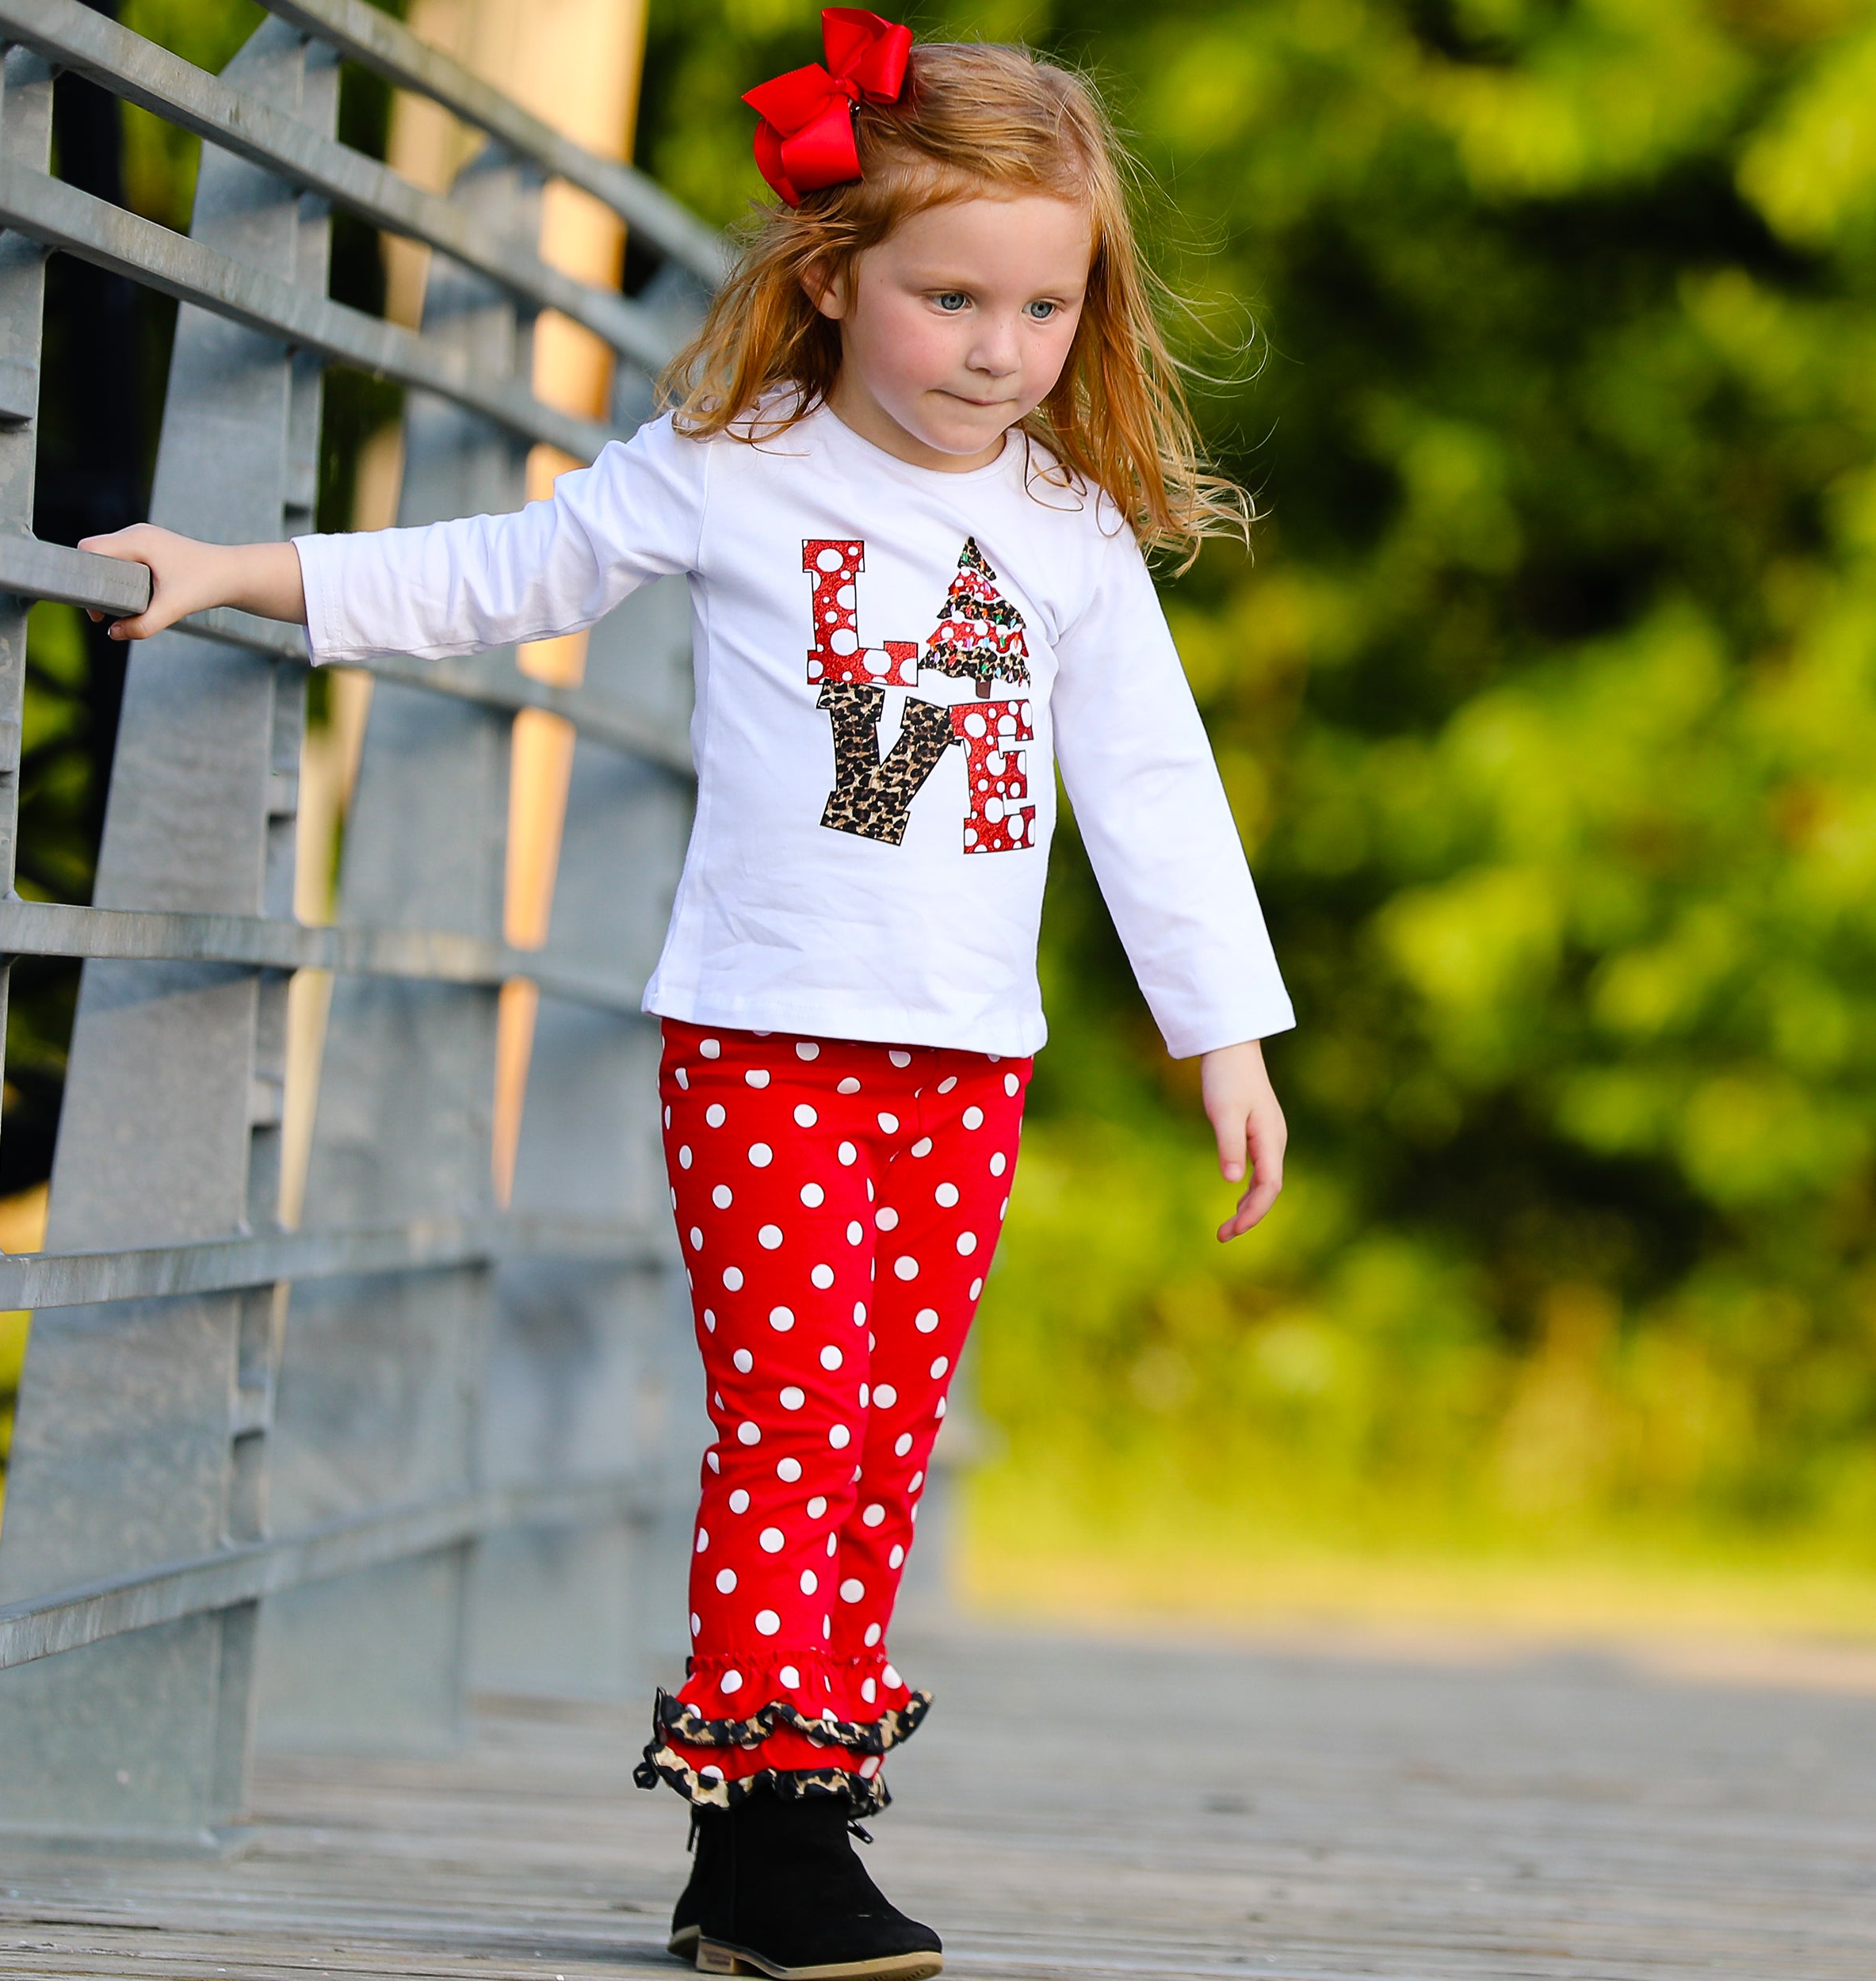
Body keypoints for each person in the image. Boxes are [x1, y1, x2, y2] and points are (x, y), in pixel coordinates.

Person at [81, 11, 1294, 1976]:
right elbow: (498, 573)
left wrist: (1220, 1039)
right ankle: (762, 1842)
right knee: (792, 1423)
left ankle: (806, 1798)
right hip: (767, 1041)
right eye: (948, 298)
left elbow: (1151, 793)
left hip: (966, 1065)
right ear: (834, 280)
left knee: (879, 1440)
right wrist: (242, 572)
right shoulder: (731, 472)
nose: (997, 350)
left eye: (1043, 307)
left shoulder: (1063, 533)